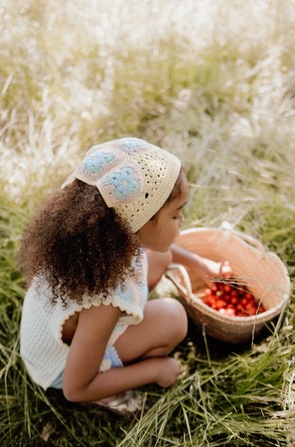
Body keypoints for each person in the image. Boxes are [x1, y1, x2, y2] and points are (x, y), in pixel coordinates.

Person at [19, 137, 231, 416]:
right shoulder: (104, 298)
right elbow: (75, 388)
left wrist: (204, 265)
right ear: (141, 221)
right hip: (63, 368)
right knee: (173, 320)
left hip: (80, 334)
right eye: (176, 215)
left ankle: (118, 346)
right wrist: (156, 369)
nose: (183, 221)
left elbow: (162, 251)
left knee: (160, 257)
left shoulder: (106, 241)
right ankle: (105, 394)